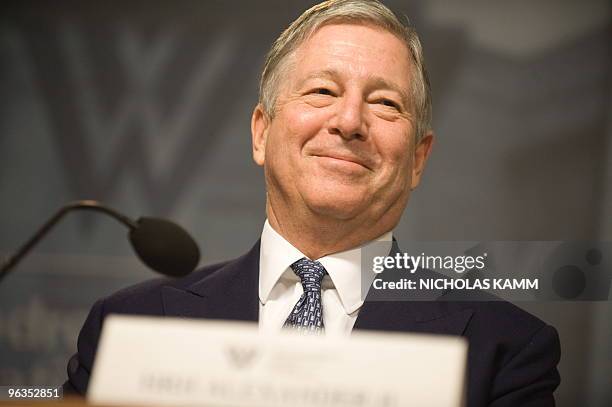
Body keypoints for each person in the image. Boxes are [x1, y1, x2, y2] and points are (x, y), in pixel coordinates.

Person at [64, 1, 560, 406]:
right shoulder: (130, 328)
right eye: (323, 90)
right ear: (262, 132)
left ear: (417, 160)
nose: (349, 121)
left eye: (385, 103)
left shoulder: (505, 350)